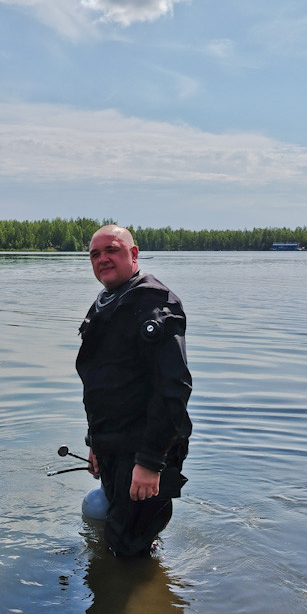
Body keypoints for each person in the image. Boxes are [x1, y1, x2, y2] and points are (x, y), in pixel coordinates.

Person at [76, 225, 192, 556]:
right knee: (118, 536)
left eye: (111, 250)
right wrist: (95, 445)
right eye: (95, 254)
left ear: (134, 254)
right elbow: (104, 387)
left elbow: (174, 388)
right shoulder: (107, 304)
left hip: (144, 448)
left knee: (127, 548)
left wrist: (151, 462)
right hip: (115, 445)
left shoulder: (153, 304)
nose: (102, 259)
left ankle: (138, 595)